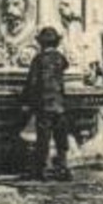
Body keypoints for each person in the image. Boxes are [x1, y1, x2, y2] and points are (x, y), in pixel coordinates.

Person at [23, 26, 71, 181]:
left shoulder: (38, 59)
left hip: (44, 104)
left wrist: (26, 101)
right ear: (56, 43)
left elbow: (32, 82)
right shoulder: (60, 58)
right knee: (61, 138)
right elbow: (66, 65)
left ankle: (41, 170)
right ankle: (63, 168)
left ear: (41, 44)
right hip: (59, 104)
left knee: (43, 138)